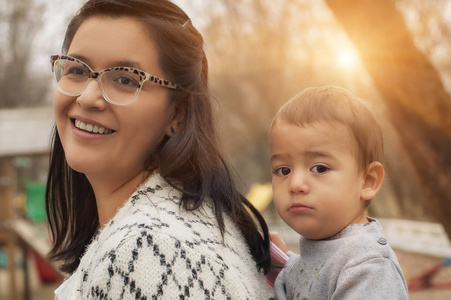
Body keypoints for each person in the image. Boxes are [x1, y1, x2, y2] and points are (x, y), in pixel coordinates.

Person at [45, 0, 273, 299]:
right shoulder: (179, 226)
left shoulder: (148, 248)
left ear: (177, 113)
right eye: (76, 69)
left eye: (125, 79)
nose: (88, 97)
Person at [269, 86, 408, 299]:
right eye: (283, 170)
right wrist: (282, 266)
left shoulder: (367, 268)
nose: (295, 184)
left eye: (320, 168)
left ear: (368, 181)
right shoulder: (325, 253)